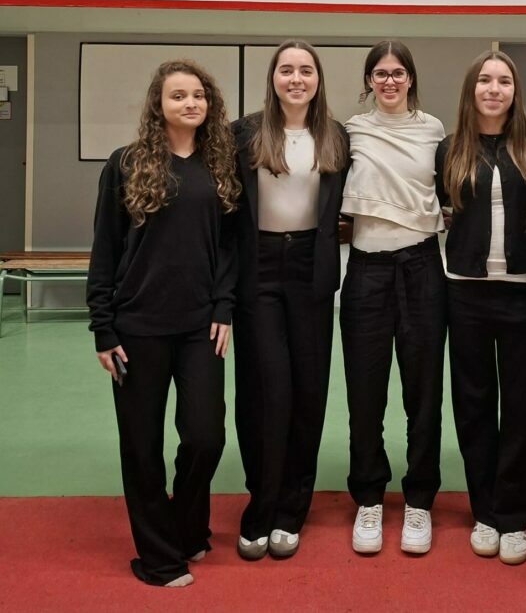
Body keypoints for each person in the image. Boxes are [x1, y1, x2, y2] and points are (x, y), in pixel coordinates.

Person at [86, 60, 240, 587]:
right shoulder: (126, 163)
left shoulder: (219, 166)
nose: (190, 103)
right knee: (142, 447)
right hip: (136, 329)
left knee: (205, 437)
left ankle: (188, 528)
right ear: (159, 103)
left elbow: (228, 248)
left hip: (200, 328)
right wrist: (103, 327)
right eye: (178, 95)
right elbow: (105, 248)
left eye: (198, 95)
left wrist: (223, 306)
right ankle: (158, 557)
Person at [231, 40, 349, 561]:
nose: (296, 78)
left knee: (308, 389)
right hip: (256, 267)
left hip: (310, 268)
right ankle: (262, 502)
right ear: (273, 78)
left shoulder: (336, 136)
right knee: (266, 388)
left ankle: (292, 508)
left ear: (318, 79)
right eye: (286, 70)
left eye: (305, 70)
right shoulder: (243, 133)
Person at [341, 40, 446, 555]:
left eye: (397, 72)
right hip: (366, 270)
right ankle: (369, 497)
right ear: (369, 80)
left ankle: (420, 500)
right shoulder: (351, 132)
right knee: (365, 393)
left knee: (423, 393)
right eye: (380, 73)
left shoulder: (434, 130)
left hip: (422, 268)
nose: (389, 81)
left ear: (410, 79)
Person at [434, 51, 526, 565]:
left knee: (520, 406)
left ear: (515, 91)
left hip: (524, 293)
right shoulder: (450, 149)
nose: (494, 89)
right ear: (471, 89)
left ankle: (514, 516)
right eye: (485, 80)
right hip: (466, 293)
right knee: (473, 404)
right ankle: (485, 512)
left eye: (504, 81)